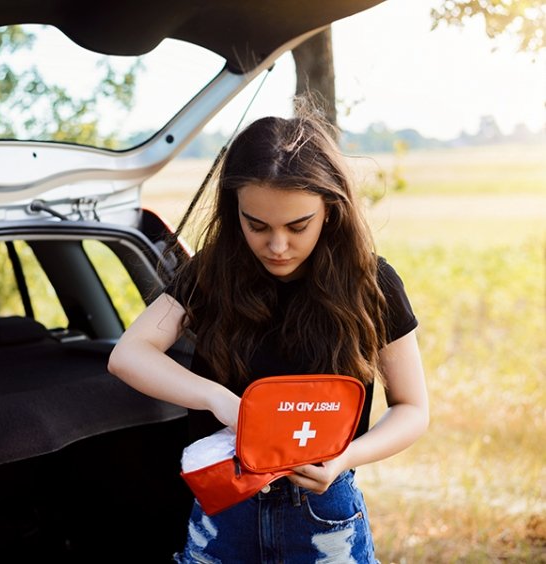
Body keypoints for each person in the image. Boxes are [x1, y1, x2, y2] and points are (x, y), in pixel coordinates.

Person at [108, 101, 428, 563]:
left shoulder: (371, 284)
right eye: (256, 225)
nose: (277, 247)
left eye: (298, 226)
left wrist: (344, 460)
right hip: (224, 506)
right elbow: (129, 355)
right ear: (233, 208)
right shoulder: (211, 274)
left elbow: (412, 409)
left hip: (323, 515)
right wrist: (219, 399)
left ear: (331, 208)